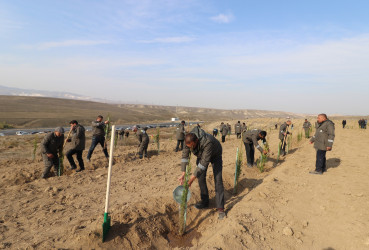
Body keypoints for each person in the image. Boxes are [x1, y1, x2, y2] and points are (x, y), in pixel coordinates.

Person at [178, 126, 225, 219]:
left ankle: (220, 208)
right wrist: (183, 172)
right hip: (201, 154)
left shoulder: (208, 141)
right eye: (188, 146)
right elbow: (185, 156)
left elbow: (203, 163)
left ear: (196, 141)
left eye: (191, 146)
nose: (190, 148)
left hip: (215, 154)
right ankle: (205, 201)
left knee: (218, 179)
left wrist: (191, 178)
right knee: (200, 177)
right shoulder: (187, 140)